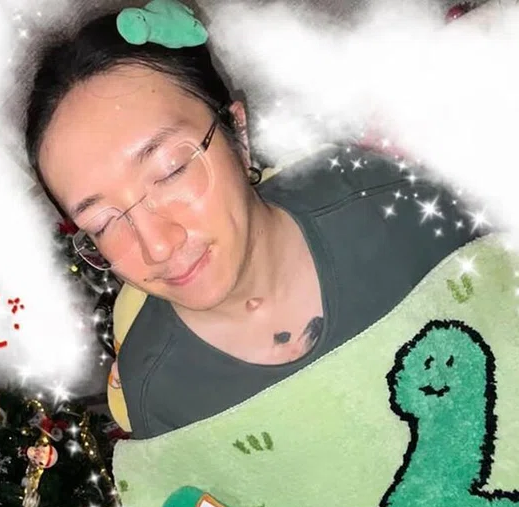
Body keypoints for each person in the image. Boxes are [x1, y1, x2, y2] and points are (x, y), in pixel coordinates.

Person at [24, 3, 482, 439]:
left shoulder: (393, 208)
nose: (157, 246)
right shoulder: (156, 393)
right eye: (102, 223)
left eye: (171, 171)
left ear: (237, 134)